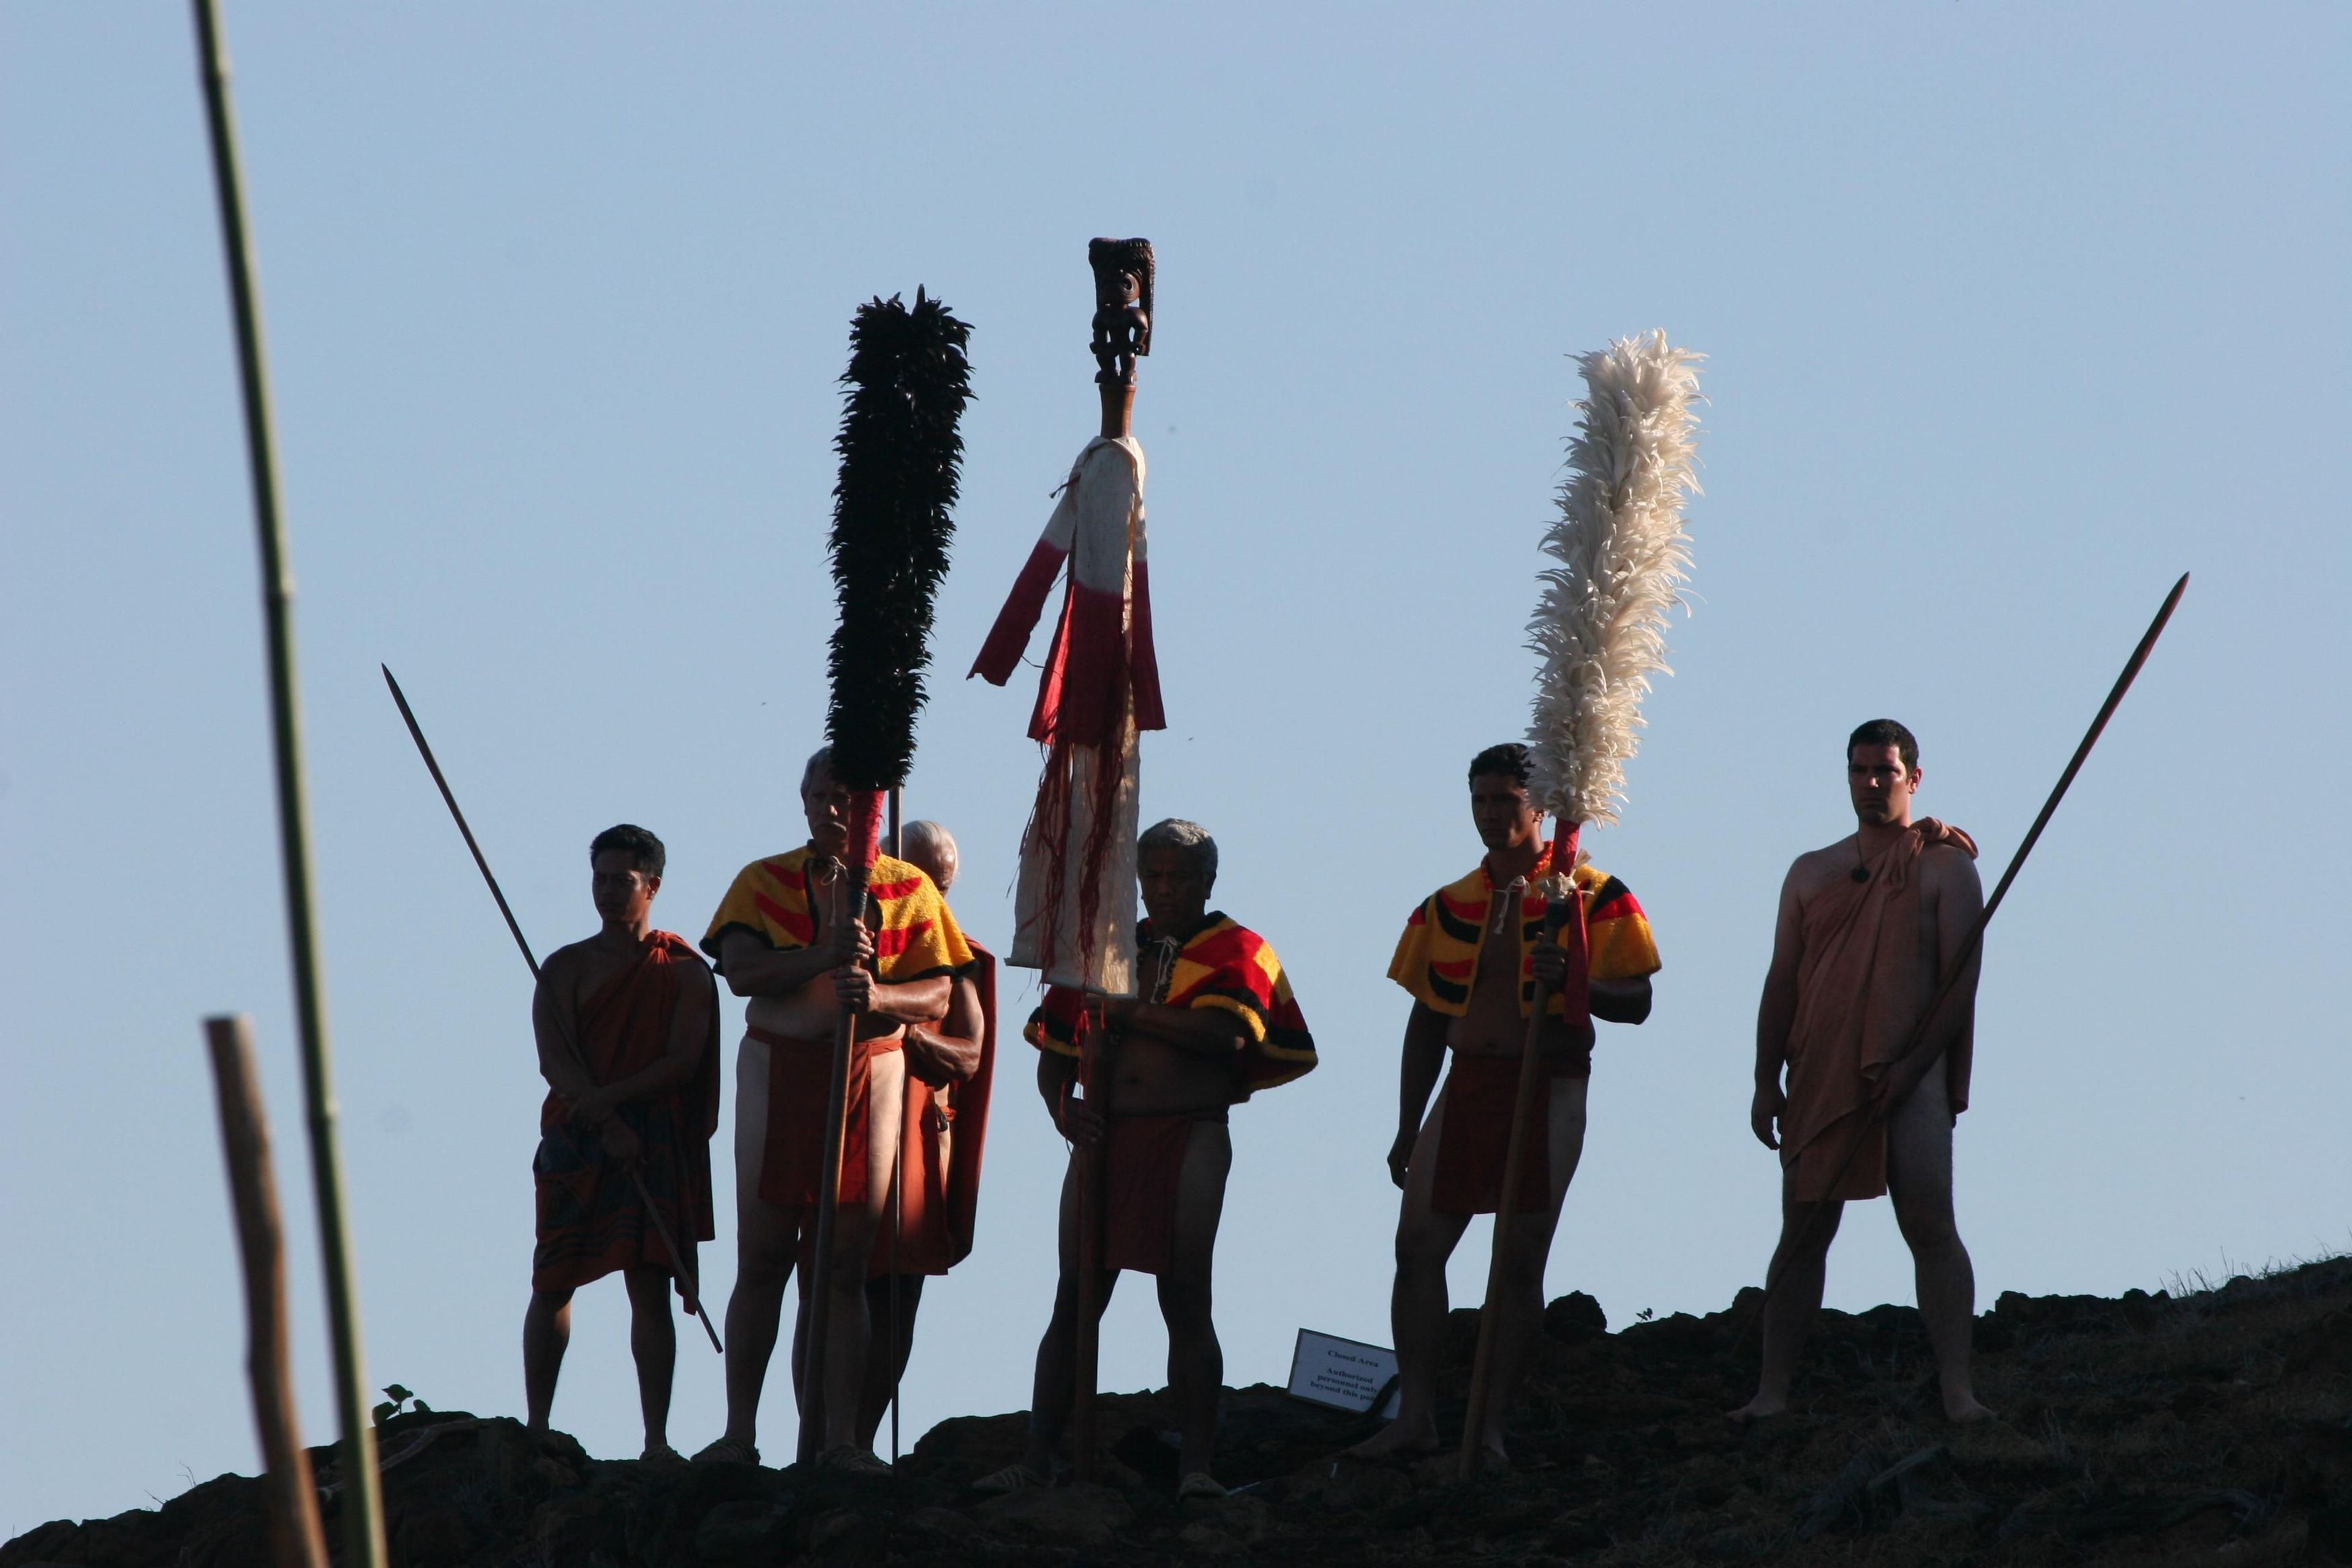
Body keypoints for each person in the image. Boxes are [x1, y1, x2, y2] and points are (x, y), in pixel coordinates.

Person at [976, 818, 1316, 1499]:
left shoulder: (1239, 948)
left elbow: (1225, 1036)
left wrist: (1131, 1014)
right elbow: (1054, 1054)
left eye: (1179, 877)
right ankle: (1039, 1457)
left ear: (1207, 882)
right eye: (1153, 875)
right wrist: (1059, 1107)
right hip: (1105, 1136)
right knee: (1076, 1296)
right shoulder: (1105, 947)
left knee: (1186, 1296)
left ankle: (1196, 1467)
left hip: (1190, 1132)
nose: (1164, 889)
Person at [1352, 744, 1659, 1468]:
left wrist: (1576, 980)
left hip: (1548, 1083)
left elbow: (1639, 1002)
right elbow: (1429, 1016)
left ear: (1541, 807)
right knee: (1417, 1247)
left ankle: (1487, 1429)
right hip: (1467, 1084)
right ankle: (1418, 1416)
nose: (1491, 814)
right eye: (1480, 800)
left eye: (1505, 801)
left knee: (1517, 1261)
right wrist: (1406, 1120)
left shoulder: (1591, 894)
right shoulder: (1450, 903)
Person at [692, 751, 973, 1470]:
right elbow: (743, 972)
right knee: (762, 1259)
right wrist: (822, 955)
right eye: (818, 795)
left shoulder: (908, 888)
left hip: (868, 1073)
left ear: (872, 804)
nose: (830, 808)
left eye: (844, 796)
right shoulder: (764, 881)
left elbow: (939, 996)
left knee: (844, 1267)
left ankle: (842, 1441)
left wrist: (878, 998)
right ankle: (738, 1433)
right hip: (777, 1068)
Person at [1730, 719, 1991, 1423]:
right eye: (1860, 771)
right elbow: (1782, 979)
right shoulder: (1811, 872)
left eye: (1885, 771)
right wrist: (1764, 1077)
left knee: (1931, 1222)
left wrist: (1912, 1066)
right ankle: (1772, 1392)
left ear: (1914, 777)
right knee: (1804, 1232)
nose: (1872, 784)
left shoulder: (1945, 867)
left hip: (1911, 1071)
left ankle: (1958, 1390)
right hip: (1820, 1066)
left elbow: (1959, 983)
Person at [524, 824, 720, 1461]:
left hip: (652, 1138)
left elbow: (682, 1062)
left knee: (650, 1283)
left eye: (622, 880)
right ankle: (536, 1427)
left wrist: (621, 1112)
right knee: (554, 1278)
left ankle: (656, 1440)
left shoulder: (685, 973)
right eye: (599, 879)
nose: (608, 892)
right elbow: (557, 1061)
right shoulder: (564, 969)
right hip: (578, 1138)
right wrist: (603, 1116)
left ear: (652, 886)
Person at [847, 819, 998, 1450]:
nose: (931, 893)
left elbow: (967, 1056)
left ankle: (860, 1437)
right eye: (920, 878)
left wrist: (906, 1032)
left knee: (896, 1296)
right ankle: (822, 1436)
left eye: (943, 883)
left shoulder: (954, 958)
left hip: (915, 1137)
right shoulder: (852, 943)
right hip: (851, 1130)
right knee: (834, 1283)